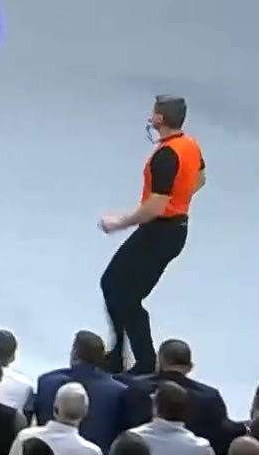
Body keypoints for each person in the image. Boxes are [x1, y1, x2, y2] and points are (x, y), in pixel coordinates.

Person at [98, 96, 204, 375]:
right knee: (117, 287)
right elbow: (200, 178)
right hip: (171, 229)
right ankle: (121, 353)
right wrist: (181, 198)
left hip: (160, 231)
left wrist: (119, 222)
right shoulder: (189, 145)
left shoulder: (165, 156)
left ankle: (141, 360)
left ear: (159, 118)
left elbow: (156, 205)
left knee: (123, 292)